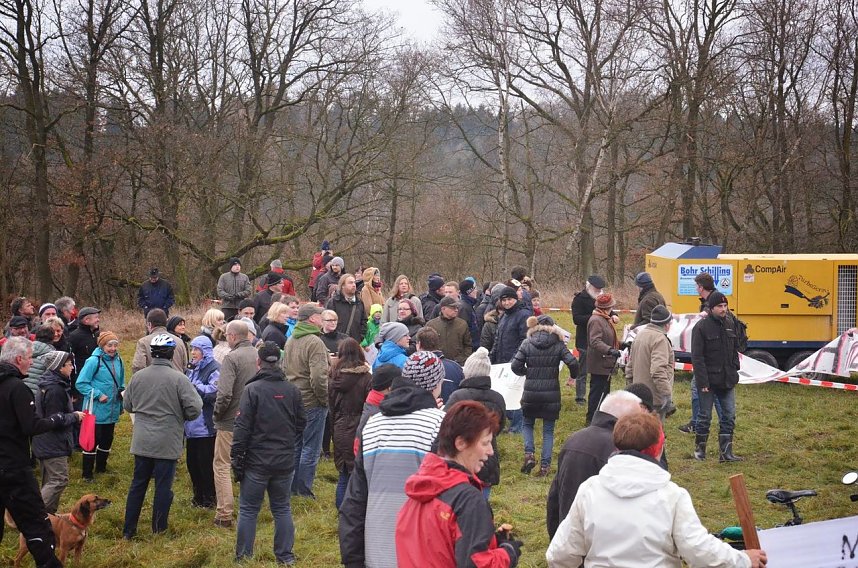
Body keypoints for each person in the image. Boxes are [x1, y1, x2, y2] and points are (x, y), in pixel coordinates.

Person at [546, 412, 767, 568]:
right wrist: (744, 559)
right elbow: (699, 552)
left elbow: (560, 554)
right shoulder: (672, 496)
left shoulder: (590, 490)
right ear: (658, 449)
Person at [338, 350, 446, 568]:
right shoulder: (441, 424)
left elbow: (355, 501)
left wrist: (352, 558)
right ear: (437, 384)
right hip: (423, 552)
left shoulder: (374, 425)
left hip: (377, 551)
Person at [394, 401, 522, 568]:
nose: (491, 451)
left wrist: (488, 540)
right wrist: (507, 553)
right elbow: (475, 564)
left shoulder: (418, 490)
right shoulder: (467, 500)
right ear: (460, 443)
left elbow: (439, 545)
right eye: (485, 443)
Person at [0, 337, 81, 568]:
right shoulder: (17, 389)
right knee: (37, 523)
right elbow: (30, 426)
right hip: (14, 467)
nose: (31, 364)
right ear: (18, 359)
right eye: (28, 359)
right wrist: (56, 419)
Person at [232, 341, 306, 564]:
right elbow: (302, 422)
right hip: (284, 460)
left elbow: (242, 428)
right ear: (279, 362)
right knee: (282, 508)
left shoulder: (251, 390)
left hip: (257, 461)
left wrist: (236, 457)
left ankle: (244, 557)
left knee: (248, 509)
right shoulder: (292, 390)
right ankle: (285, 556)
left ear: (258, 363)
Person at [122, 334, 202, 539]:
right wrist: (180, 416)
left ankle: (128, 530)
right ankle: (158, 529)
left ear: (151, 352)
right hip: (167, 441)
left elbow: (128, 405)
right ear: (171, 353)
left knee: (137, 484)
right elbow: (195, 408)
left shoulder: (138, 377)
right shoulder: (179, 379)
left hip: (142, 440)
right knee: (163, 487)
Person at [546, 390, 643, 538]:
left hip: (569, 539)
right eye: (637, 419)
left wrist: (556, 538)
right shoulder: (619, 450)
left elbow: (554, 497)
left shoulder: (573, 439)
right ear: (624, 419)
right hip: (603, 544)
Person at [511, 315, 579, 477]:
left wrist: (528, 372)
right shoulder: (558, 344)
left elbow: (515, 366)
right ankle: (545, 467)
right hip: (551, 393)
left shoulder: (527, 342)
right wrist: (573, 377)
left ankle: (529, 455)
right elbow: (573, 362)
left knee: (527, 424)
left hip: (530, 392)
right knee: (548, 430)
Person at [213, 320, 258, 528]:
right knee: (249, 464)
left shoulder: (232, 358)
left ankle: (224, 513)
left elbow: (224, 394)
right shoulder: (259, 355)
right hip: (256, 420)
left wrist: (217, 414)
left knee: (222, 465)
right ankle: (250, 508)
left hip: (231, 420)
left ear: (232, 336)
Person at [282, 303, 330, 498]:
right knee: (310, 447)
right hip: (312, 402)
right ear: (312, 318)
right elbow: (318, 377)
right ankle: (303, 491)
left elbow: (285, 369)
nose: (323, 319)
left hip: (293, 399)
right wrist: (325, 399)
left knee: (295, 446)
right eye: (321, 316)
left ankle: (291, 487)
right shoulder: (314, 342)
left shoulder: (291, 339)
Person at [445, 347, 506, 499]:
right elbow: (499, 427)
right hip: (487, 458)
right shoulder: (497, 398)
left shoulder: (457, 397)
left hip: (461, 458)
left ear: (468, 371)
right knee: (482, 507)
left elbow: (445, 426)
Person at [691, 291, 743, 462]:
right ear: (711, 308)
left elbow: (736, 348)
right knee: (704, 416)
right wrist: (703, 382)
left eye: (725, 306)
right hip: (708, 381)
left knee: (729, 416)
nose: (723, 309)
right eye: (720, 306)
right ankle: (700, 451)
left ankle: (726, 453)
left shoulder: (730, 323)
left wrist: (735, 367)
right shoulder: (701, 327)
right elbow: (697, 358)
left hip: (727, 380)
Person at [75, 331, 125, 481]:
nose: (113, 348)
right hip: (95, 409)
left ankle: (101, 468)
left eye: (115, 345)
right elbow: (81, 383)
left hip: (112, 408)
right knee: (92, 440)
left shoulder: (119, 360)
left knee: (107, 438)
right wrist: (98, 394)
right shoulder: (93, 361)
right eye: (110, 345)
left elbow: (121, 382)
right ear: (102, 345)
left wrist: (121, 398)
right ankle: (87, 474)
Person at [679, 271, 725, 434]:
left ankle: (698, 423)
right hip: (711, 355)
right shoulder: (712, 300)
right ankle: (723, 422)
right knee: (716, 391)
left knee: (698, 388)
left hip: (710, 356)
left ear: (701, 287)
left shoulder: (711, 303)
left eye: (696, 286)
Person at [328, 338, 372, 509]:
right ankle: (355, 511)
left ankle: (341, 510)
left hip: (339, 426)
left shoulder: (333, 377)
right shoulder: (367, 378)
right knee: (359, 475)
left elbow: (331, 406)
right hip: (359, 427)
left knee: (344, 474)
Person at [32, 351, 77, 513]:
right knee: (59, 479)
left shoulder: (48, 384)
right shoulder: (55, 389)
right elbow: (55, 420)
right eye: (69, 364)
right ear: (59, 367)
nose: (72, 367)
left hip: (43, 441)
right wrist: (74, 416)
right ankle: (34, 515)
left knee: (49, 481)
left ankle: (46, 518)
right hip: (53, 443)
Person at [184, 335, 220, 509]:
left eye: (196, 349)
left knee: (206, 465)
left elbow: (213, 392)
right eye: (192, 349)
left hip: (206, 427)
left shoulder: (215, 368)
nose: (193, 353)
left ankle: (209, 499)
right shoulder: (191, 368)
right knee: (192, 464)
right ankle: (197, 496)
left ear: (205, 351)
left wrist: (194, 386)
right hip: (190, 426)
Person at [625, 305, 675, 420]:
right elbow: (658, 371)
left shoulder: (640, 335)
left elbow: (629, 367)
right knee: (655, 432)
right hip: (655, 397)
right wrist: (667, 395)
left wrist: (631, 387)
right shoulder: (660, 339)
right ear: (666, 324)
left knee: (640, 429)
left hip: (639, 394)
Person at [586, 293, 621, 425]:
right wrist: (610, 350)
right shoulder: (596, 320)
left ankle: (601, 418)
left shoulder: (605, 318)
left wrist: (622, 344)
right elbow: (595, 341)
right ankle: (592, 419)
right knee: (597, 393)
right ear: (608, 307)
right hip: (599, 363)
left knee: (605, 392)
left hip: (605, 362)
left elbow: (608, 338)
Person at [571, 275, 606, 403]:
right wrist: (592, 316)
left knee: (597, 369)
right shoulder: (579, 299)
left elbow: (610, 311)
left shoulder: (602, 299)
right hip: (584, 339)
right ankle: (580, 396)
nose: (598, 292)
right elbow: (576, 319)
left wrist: (614, 315)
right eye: (596, 290)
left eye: (600, 290)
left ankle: (596, 393)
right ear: (589, 287)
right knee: (583, 370)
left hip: (600, 340)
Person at [132, 308, 188, 374]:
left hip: (153, 382)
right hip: (177, 382)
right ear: (166, 322)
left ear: (149, 324)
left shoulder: (143, 342)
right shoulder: (179, 341)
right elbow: (185, 366)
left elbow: (138, 367)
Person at [415, 326, 463, 403]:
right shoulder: (456, 367)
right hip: (452, 412)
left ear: (419, 344)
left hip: (426, 412)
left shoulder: (414, 368)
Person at [426, 295, 472, 365]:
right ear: (443, 309)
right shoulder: (431, 325)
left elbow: (468, 345)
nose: (456, 310)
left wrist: (464, 359)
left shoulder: (462, 324)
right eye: (453, 307)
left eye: (457, 307)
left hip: (459, 363)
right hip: (438, 364)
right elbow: (426, 346)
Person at [327, 273, 367, 342]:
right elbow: (328, 321)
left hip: (355, 343)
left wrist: (360, 337)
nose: (354, 285)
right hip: (337, 343)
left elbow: (364, 322)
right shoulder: (334, 302)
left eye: (354, 283)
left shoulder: (359, 302)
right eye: (350, 283)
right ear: (342, 285)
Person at [68, 306, 100, 386]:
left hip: (97, 379)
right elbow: (70, 361)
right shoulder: (74, 337)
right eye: (96, 318)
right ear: (86, 320)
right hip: (82, 381)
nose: (98, 320)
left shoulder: (97, 335)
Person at [23, 325, 57, 396]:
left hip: (22, 391)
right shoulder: (52, 355)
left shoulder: (24, 349)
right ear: (53, 338)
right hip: (38, 394)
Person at [217, 257, 252, 321]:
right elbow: (220, 291)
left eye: (239, 265)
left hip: (241, 307)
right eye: (235, 265)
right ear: (231, 266)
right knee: (226, 325)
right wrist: (228, 296)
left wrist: (239, 295)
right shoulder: (223, 277)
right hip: (227, 307)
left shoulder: (245, 277)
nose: (237, 267)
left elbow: (248, 290)